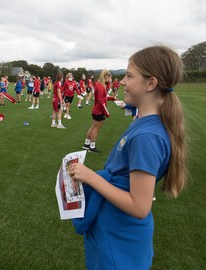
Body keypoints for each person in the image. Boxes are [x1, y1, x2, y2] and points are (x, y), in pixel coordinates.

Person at [69, 45, 187, 270]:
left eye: (129, 75)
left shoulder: (147, 137)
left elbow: (140, 206)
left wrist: (91, 177)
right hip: (114, 231)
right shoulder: (144, 124)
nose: (122, 81)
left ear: (150, 84)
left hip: (119, 242)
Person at [82, 69, 112, 152]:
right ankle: (92, 146)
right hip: (99, 111)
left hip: (96, 110)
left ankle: (87, 144)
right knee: (96, 128)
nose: (110, 79)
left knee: (93, 127)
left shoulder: (100, 85)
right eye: (110, 77)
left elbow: (103, 97)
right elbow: (100, 100)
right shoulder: (100, 85)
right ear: (107, 76)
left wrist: (112, 98)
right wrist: (106, 112)